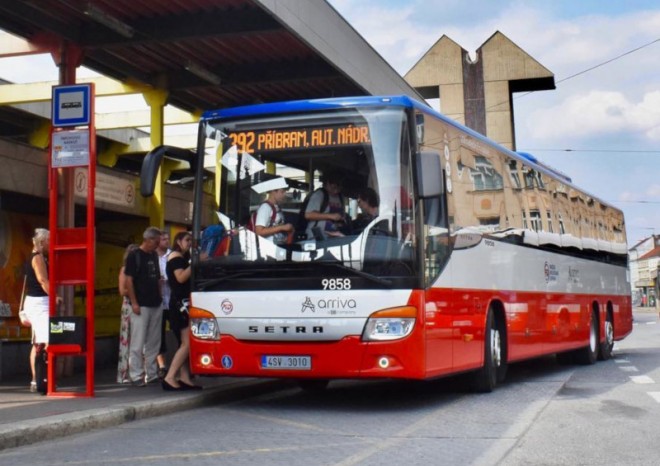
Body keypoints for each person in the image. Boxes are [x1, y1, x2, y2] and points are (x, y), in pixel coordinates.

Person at [162, 231, 201, 391]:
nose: (189, 243)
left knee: (183, 343)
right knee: (187, 343)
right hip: (180, 305)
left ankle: (184, 377)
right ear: (178, 241)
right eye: (187, 240)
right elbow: (180, 277)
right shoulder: (176, 257)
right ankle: (170, 376)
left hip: (181, 303)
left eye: (191, 240)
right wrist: (195, 263)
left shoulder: (179, 257)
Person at [124, 226, 163, 387]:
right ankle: (136, 374)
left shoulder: (153, 255)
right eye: (156, 241)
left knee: (154, 341)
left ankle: (151, 373)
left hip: (155, 302)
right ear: (148, 240)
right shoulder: (134, 256)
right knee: (138, 341)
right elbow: (128, 280)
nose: (158, 244)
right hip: (141, 303)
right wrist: (134, 302)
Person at [23, 228, 60, 392]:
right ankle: (44, 379)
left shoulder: (37, 256)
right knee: (47, 340)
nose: (51, 243)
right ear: (43, 242)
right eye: (50, 240)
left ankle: (36, 380)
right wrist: (55, 296)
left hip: (36, 302)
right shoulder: (37, 258)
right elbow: (43, 279)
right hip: (39, 303)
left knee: (38, 342)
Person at [116, 243, 139, 384]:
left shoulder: (139, 270)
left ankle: (136, 372)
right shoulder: (124, 270)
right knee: (128, 338)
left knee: (138, 339)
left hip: (139, 304)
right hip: (129, 305)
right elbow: (122, 290)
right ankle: (124, 373)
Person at [304, 171, 347, 239]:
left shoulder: (341, 198)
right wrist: (330, 216)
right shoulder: (319, 195)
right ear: (327, 183)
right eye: (334, 187)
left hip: (334, 236)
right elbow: (308, 215)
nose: (336, 191)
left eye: (338, 188)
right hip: (316, 237)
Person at [252, 177, 294, 244]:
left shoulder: (276, 207)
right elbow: (259, 231)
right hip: (268, 248)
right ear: (273, 192)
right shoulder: (265, 208)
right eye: (282, 192)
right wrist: (282, 227)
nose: (284, 195)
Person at [156, 232, 171, 379]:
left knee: (179, 331)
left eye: (168, 239)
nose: (167, 241)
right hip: (158, 302)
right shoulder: (152, 257)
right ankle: (162, 366)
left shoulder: (172, 256)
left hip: (172, 300)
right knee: (158, 334)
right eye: (163, 239)